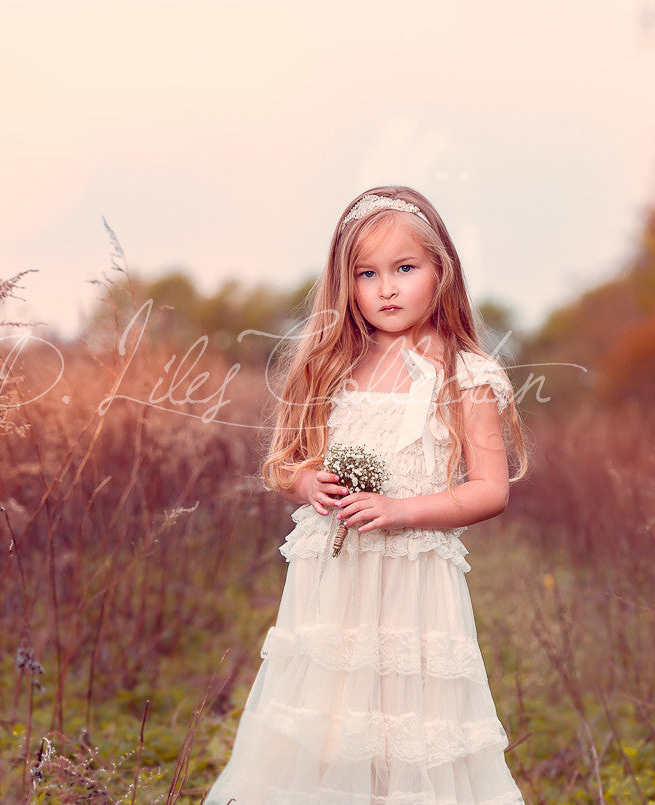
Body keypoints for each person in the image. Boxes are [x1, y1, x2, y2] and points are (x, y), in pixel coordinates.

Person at [205, 186, 528, 804]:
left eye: (405, 269)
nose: (386, 288)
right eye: (367, 274)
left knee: (408, 732)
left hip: (414, 586)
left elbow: (491, 491)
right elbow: (284, 463)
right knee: (329, 728)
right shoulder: (329, 365)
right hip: (333, 588)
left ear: (442, 272)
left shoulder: (465, 374)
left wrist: (403, 510)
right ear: (345, 283)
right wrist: (307, 481)